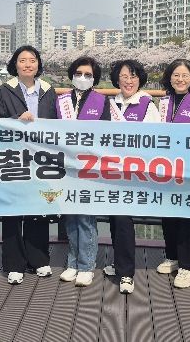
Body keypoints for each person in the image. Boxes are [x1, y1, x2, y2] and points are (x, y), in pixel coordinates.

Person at [0, 45, 57, 285]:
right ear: (15, 65)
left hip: (40, 158)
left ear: (38, 64)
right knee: (12, 210)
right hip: (12, 157)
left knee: (38, 208)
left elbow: (57, 123)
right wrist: (16, 120)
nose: (28, 64)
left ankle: (39, 259)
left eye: (32, 60)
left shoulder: (48, 90)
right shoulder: (4, 90)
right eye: (22, 60)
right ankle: (13, 264)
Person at [103, 59, 160, 294]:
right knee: (115, 219)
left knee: (124, 219)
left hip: (135, 174)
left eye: (133, 76)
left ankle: (126, 273)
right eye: (124, 76)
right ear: (117, 79)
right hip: (111, 171)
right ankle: (119, 263)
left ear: (140, 80)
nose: (129, 81)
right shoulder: (110, 104)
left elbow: (155, 140)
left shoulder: (148, 106)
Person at [56, 56, 112, 287]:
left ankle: (86, 265)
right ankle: (72, 263)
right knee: (70, 216)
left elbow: (106, 133)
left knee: (86, 218)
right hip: (65, 165)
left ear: (94, 78)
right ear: (72, 75)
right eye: (79, 73)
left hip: (90, 166)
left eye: (88, 75)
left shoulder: (102, 101)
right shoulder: (61, 100)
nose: (82, 77)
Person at [156, 59, 190, 289]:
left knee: (189, 217)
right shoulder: (163, 102)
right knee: (169, 214)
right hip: (166, 169)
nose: (180, 79)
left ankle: (188, 266)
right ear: (169, 78)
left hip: (189, 170)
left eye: (185, 75)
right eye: (176, 75)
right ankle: (172, 256)